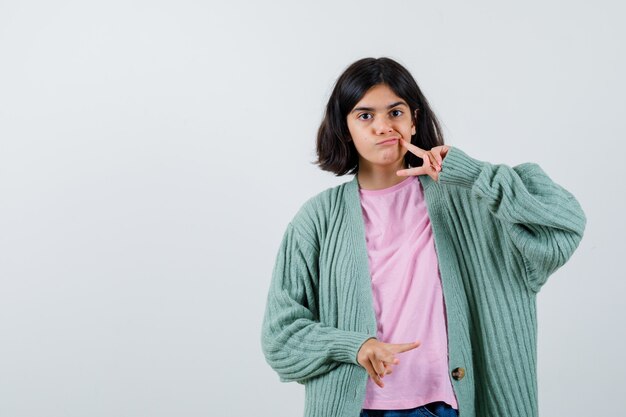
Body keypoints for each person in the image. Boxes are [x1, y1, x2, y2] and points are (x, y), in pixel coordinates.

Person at [260, 57, 586, 417]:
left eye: (395, 112)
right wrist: (354, 346)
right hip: (356, 408)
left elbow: (563, 224)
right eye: (365, 115)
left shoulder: (469, 201)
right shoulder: (317, 219)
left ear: (414, 120)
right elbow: (281, 337)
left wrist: (472, 174)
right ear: (345, 129)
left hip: (446, 405)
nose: (383, 126)